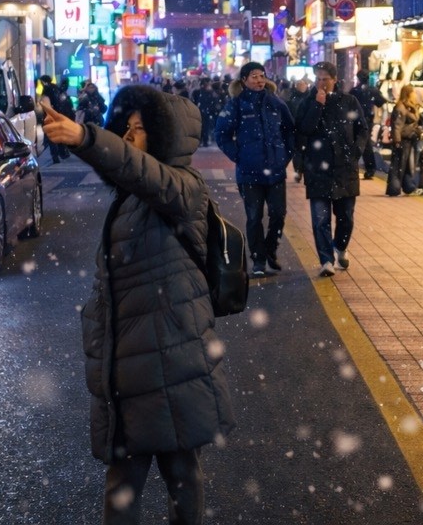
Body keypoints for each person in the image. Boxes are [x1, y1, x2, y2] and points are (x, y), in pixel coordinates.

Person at [41, 86, 235, 525]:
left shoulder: (183, 189)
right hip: (130, 362)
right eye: (125, 129)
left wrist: (87, 138)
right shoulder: (130, 197)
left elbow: (141, 172)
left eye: (140, 130)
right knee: (123, 479)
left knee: (181, 472)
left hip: (175, 353)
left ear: (166, 139)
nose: (129, 138)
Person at [215, 62, 296, 277]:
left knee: (279, 214)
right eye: (254, 76)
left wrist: (285, 156)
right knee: (254, 217)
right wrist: (239, 156)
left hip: (276, 171)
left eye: (262, 76)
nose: (259, 80)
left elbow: (290, 131)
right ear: (244, 80)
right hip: (249, 172)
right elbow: (221, 135)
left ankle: (270, 250)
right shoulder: (236, 105)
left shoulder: (276, 103)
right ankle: (258, 260)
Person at [294, 61, 368, 277]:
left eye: (325, 79)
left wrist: (356, 152)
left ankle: (340, 247)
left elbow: (362, 128)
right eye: (317, 79)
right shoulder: (308, 102)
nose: (321, 83)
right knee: (320, 219)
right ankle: (326, 259)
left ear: (335, 80)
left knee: (346, 217)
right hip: (317, 169)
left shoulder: (349, 101)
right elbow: (303, 129)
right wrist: (317, 105)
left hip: (345, 169)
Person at [386, 84, 423, 197]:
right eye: (412, 92)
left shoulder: (409, 106)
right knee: (399, 165)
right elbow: (397, 126)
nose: (414, 95)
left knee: (407, 165)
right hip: (403, 140)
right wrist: (397, 141)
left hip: (409, 139)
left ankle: (407, 186)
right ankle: (395, 188)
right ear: (408, 94)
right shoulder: (401, 107)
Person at [350, 73, 387, 179]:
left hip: (355, 120)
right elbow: (381, 103)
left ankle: (353, 167)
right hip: (367, 120)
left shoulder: (354, 91)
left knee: (356, 143)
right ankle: (370, 169)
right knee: (366, 145)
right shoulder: (373, 90)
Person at [39, 75, 76, 164]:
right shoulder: (56, 88)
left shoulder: (47, 89)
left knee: (51, 136)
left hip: (50, 115)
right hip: (59, 113)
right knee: (58, 134)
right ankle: (62, 152)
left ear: (43, 81)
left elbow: (46, 103)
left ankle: (55, 156)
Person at [285, 77, 312, 183]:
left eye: (302, 85)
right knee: (298, 153)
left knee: (305, 153)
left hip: (307, 130)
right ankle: (298, 171)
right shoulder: (292, 98)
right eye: (299, 85)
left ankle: (304, 172)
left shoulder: (310, 98)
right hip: (296, 129)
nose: (301, 87)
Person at [192, 80, 219, 147]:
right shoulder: (209, 93)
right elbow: (213, 103)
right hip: (205, 112)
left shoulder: (198, 92)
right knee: (205, 127)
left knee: (201, 126)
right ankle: (204, 141)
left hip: (201, 111)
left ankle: (201, 141)